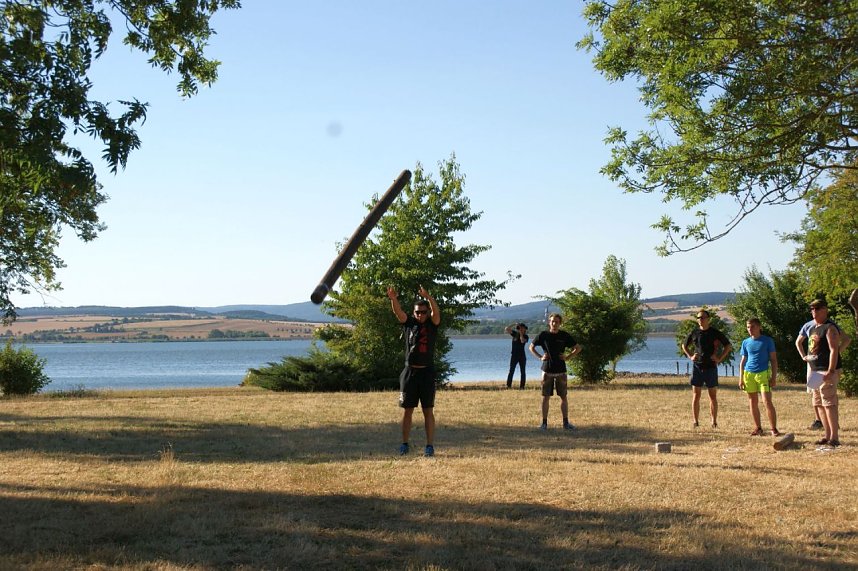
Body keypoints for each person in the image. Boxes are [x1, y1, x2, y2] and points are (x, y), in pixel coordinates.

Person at [387, 285, 441, 457]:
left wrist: (429, 297)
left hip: (427, 373)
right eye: (418, 312)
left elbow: (437, 313)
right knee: (407, 410)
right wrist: (393, 299)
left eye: (423, 312)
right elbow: (398, 313)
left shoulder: (433, 324)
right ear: (414, 312)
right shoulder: (409, 323)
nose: (420, 315)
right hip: (410, 372)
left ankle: (429, 446)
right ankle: (404, 444)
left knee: (428, 411)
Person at [796, 301, 851, 430]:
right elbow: (798, 342)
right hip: (814, 366)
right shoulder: (810, 326)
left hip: (828, 368)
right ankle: (822, 424)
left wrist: (836, 355)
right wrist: (804, 357)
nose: (813, 311)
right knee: (817, 398)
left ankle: (833, 431)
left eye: (817, 308)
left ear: (825, 310)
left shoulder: (830, 326)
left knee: (829, 399)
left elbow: (846, 340)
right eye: (811, 309)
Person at [529, 313, 581, 430]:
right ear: (549, 322)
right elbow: (531, 347)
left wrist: (567, 357)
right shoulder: (543, 335)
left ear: (560, 323)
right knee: (545, 397)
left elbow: (578, 348)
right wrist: (540, 357)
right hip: (546, 370)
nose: (554, 323)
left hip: (561, 371)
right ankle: (544, 423)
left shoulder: (564, 335)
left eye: (556, 322)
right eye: (552, 321)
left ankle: (566, 423)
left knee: (563, 397)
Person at [682, 309, 731, 428]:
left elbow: (728, 346)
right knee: (696, 395)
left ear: (708, 319)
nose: (700, 320)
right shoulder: (694, 332)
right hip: (697, 367)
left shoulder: (714, 332)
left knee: (712, 396)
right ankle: (695, 422)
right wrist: (690, 356)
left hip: (711, 367)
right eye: (698, 318)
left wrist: (719, 358)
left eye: (703, 317)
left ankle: (714, 422)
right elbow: (684, 345)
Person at [738, 318, 781, 436]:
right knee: (752, 401)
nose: (750, 329)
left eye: (752, 327)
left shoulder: (767, 341)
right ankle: (758, 427)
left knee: (767, 401)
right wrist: (741, 378)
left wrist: (773, 377)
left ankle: (773, 429)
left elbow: (773, 360)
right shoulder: (745, 342)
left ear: (759, 327)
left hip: (763, 374)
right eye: (748, 327)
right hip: (749, 373)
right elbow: (742, 361)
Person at [504, 323, 529, 389]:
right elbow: (506, 329)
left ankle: (522, 386)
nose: (521, 329)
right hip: (514, 355)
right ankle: (508, 385)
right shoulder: (514, 334)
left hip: (522, 356)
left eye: (522, 328)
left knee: (523, 372)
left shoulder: (526, 336)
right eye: (520, 328)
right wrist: (514, 324)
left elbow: (522, 341)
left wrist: (521, 333)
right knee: (511, 371)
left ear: (525, 329)